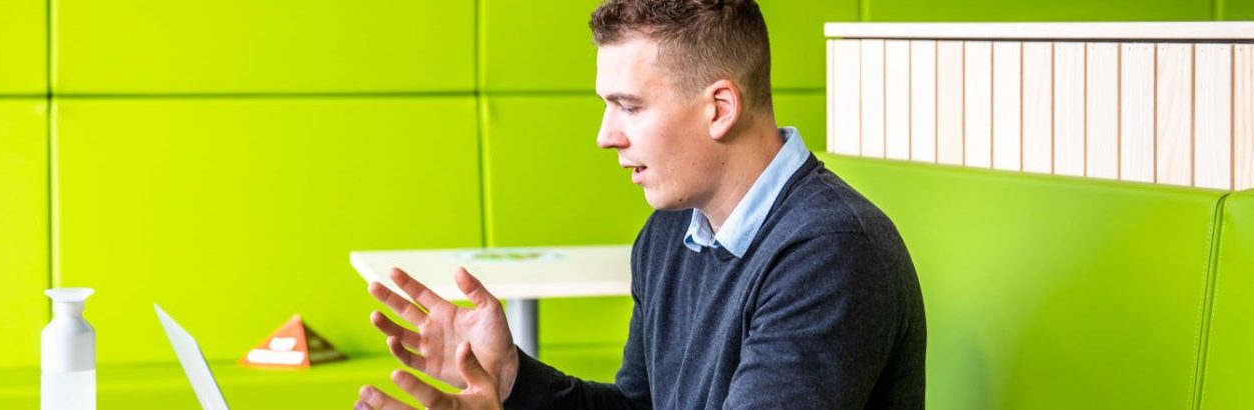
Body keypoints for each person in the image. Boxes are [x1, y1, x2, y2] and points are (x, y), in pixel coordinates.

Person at [354, 0, 926, 408]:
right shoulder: (668, 234)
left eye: (629, 106)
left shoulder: (830, 254)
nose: (606, 135)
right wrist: (509, 378)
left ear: (720, 108)